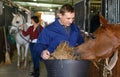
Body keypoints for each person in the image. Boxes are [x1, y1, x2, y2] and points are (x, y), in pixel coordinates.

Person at [33, 3, 84, 72]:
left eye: (73, 18)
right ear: (60, 15)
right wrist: (42, 52)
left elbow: (81, 43)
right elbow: (38, 45)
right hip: (56, 66)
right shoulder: (49, 29)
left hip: (73, 65)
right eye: (68, 18)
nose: (71, 21)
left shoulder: (75, 28)